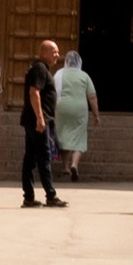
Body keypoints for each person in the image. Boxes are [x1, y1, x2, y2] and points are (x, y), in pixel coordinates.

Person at [20, 40, 64, 207]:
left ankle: (29, 197)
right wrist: (40, 118)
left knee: (30, 158)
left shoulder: (41, 68)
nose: (57, 55)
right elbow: (34, 92)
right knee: (43, 157)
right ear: (44, 53)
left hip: (33, 120)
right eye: (54, 52)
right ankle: (51, 195)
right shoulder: (39, 69)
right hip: (37, 121)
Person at [52, 42, 97, 182]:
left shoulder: (59, 74)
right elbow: (92, 96)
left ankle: (65, 167)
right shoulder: (84, 76)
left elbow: (51, 92)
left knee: (62, 135)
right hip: (79, 109)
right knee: (79, 137)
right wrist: (96, 114)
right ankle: (74, 164)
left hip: (62, 108)